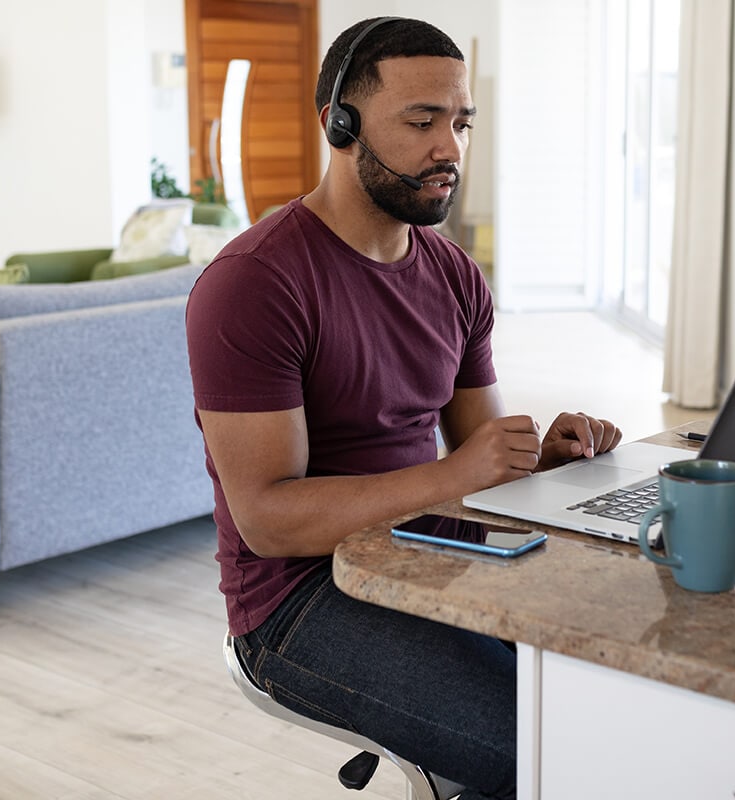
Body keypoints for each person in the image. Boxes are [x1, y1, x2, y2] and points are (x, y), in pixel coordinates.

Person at [186, 16, 622, 799]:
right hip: (301, 602)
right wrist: (456, 475)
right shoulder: (252, 284)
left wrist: (542, 457)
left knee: (618, 696)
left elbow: (477, 458)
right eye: (422, 121)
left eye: (460, 123)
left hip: (435, 559)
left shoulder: (454, 275)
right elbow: (269, 520)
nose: (449, 148)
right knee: (549, 755)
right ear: (341, 126)